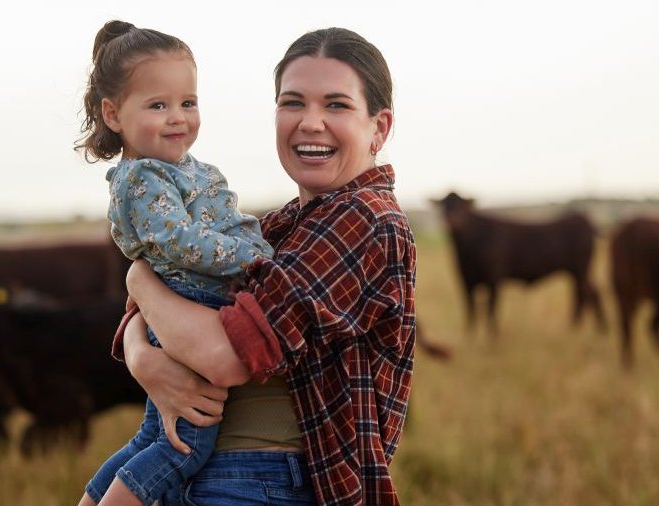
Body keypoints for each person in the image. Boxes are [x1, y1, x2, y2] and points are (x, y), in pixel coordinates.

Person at [105, 27, 417, 505]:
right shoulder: (274, 228)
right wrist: (145, 358)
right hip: (204, 469)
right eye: (293, 103)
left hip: (266, 480)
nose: (311, 122)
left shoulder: (366, 219)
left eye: (336, 105)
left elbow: (223, 356)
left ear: (380, 127)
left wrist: (138, 276)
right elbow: (152, 310)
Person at [73, 20, 274, 506]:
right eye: (158, 105)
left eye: (188, 102)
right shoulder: (142, 176)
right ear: (113, 114)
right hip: (190, 299)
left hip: (184, 299)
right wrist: (252, 257)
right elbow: (180, 243)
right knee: (184, 446)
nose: (178, 117)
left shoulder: (180, 168)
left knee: (151, 437)